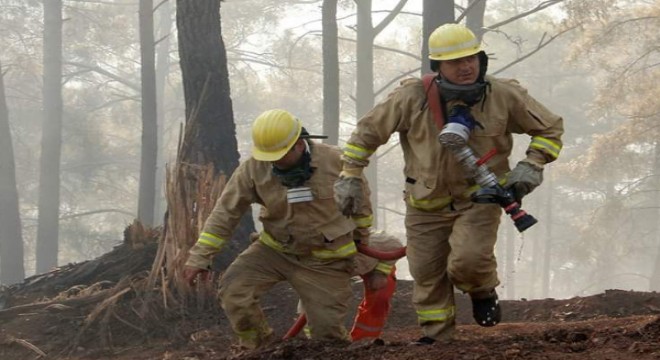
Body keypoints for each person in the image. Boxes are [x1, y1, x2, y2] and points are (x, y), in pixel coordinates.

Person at [333, 23, 564, 345]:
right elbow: (365, 136)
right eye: (454, 61)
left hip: (478, 200)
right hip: (424, 204)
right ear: (438, 66)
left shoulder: (504, 95)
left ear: (481, 60)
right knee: (427, 274)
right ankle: (436, 340)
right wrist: (350, 175)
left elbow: (550, 129)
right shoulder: (411, 97)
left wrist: (531, 166)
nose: (465, 66)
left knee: (467, 262)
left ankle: (482, 289)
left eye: (471, 58)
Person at [183, 109, 373, 350]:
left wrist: (361, 244)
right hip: (274, 250)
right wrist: (200, 256)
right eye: (268, 155)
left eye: (279, 155)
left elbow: (361, 206)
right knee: (234, 291)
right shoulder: (253, 169)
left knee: (328, 337)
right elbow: (225, 213)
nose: (273, 161)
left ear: (298, 143)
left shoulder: (337, 161)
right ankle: (261, 349)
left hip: (325, 260)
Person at [291, 232, 403, 342]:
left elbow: (395, 245)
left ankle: (365, 339)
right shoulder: (312, 263)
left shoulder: (371, 243)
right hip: (328, 274)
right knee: (317, 307)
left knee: (380, 297)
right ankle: (319, 339)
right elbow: (308, 303)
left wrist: (381, 272)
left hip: (374, 264)